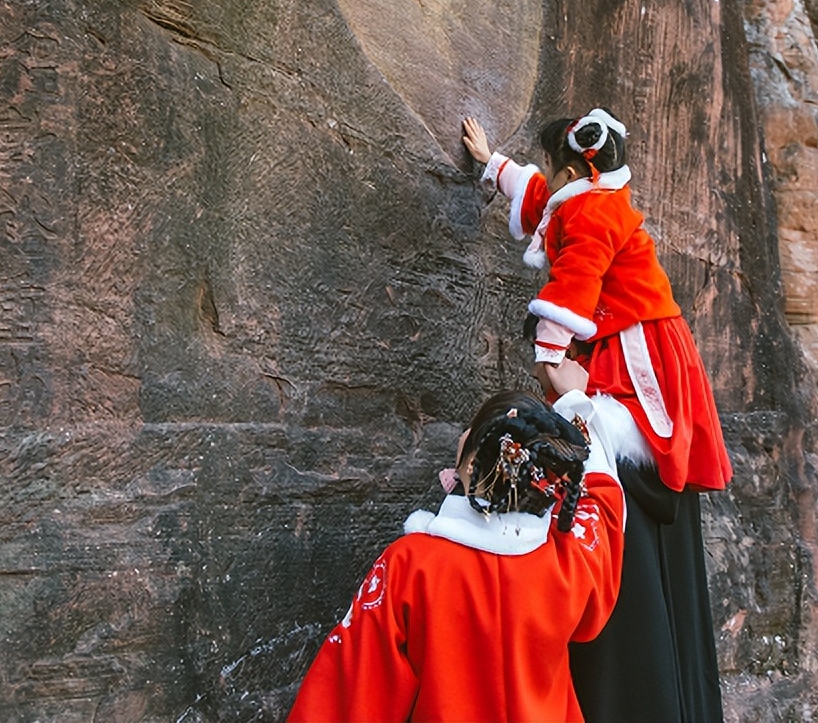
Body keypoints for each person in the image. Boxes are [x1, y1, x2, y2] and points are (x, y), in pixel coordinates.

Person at [463, 109, 731, 722]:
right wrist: (493, 166)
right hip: (624, 341)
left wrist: (550, 360)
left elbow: (573, 288)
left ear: (571, 172)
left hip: (640, 351)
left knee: (626, 434)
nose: (547, 180)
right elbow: (541, 198)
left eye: (551, 169)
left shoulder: (593, 213)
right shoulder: (583, 198)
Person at [287, 369, 625, 723]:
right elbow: (603, 504)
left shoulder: (412, 564)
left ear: (476, 457)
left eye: (470, 428)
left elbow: (350, 690)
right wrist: (574, 404)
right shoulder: (567, 563)